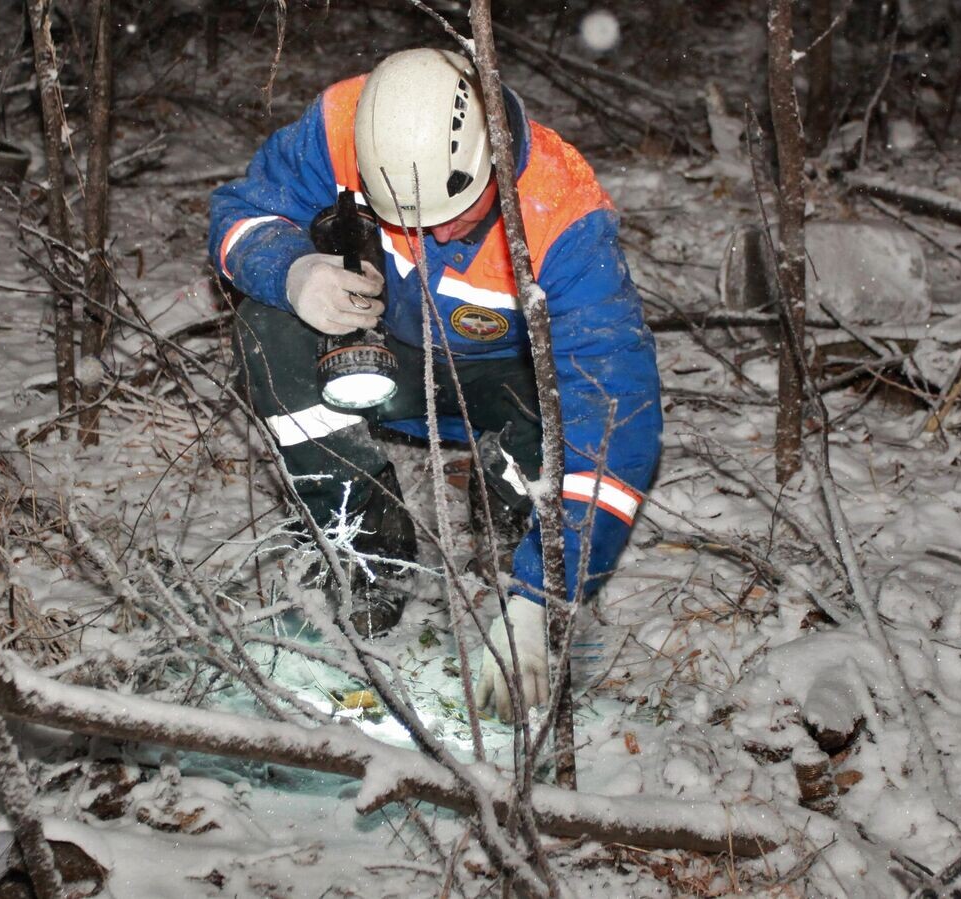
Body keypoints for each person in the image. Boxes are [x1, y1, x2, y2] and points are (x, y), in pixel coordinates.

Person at [208, 48, 661, 720]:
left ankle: (516, 525)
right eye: (402, 216)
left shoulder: (561, 213)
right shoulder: (342, 124)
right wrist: (293, 272)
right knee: (265, 333)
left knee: (566, 425)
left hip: (498, 384)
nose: (425, 235)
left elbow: (616, 412)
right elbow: (243, 210)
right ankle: (366, 534)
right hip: (377, 361)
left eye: (448, 217)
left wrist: (547, 593)